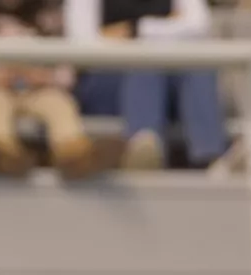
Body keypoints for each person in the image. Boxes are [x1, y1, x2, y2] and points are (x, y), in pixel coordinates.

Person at [0, 0, 119, 178]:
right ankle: (1, 152)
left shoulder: (50, 19)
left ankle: (74, 154)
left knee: (58, 102)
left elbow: (67, 75)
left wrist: (43, 76)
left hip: (36, 92)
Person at [65, 0, 233, 170]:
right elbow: (84, 44)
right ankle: (144, 148)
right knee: (145, 63)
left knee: (198, 66)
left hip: (168, 75)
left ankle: (212, 160)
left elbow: (199, 27)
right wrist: (169, 26)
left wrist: (135, 29)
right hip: (109, 80)